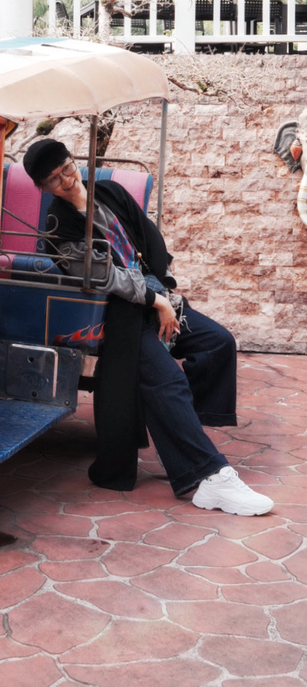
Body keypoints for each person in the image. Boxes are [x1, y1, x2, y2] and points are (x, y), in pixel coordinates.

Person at [22, 137, 273, 517]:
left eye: (68, 168)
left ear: (76, 161)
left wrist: (166, 291)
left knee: (218, 343)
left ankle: (185, 427)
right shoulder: (58, 226)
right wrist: (155, 302)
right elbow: (104, 279)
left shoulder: (109, 191)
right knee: (167, 381)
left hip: (156, 297)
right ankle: (206, 477)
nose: (67, 180)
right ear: (43, 188)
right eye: (55, 180)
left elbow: (149, 235)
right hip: (115, 315)